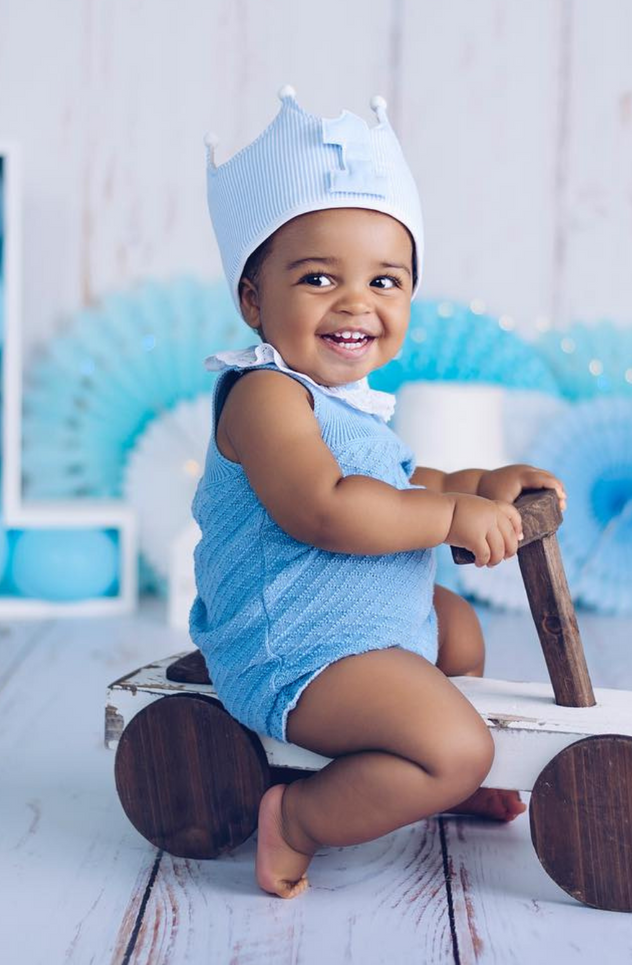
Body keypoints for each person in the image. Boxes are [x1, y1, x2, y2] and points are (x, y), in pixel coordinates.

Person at [192, 84, 568, 899]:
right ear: (254, 297)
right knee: (455, 742)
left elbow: (403, 484)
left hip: (360, 624)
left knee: (457, 628)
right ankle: (302, 814)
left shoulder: (351, 406)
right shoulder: (265, 396)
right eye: (319, 277)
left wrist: (478, 486)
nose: (356, 300)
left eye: (386, 280)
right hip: (294, 645)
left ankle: (438, 768)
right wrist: (446, 515)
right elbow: (325, 506)